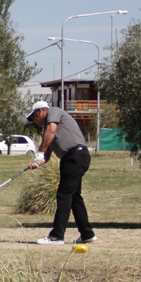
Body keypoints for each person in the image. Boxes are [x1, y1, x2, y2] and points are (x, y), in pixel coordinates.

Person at [25, 100, 96, 246]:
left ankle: (56, 236)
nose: (34, 121)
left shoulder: (54, 112)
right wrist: (37, 162)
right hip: (72, 158)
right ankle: (87, 234)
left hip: (75, 156)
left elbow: (51, 132)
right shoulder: (49, 129)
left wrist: (40, 152)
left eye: (33, 117)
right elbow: (47, 156)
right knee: (74, 196)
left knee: (64, 195)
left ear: (40, 111)